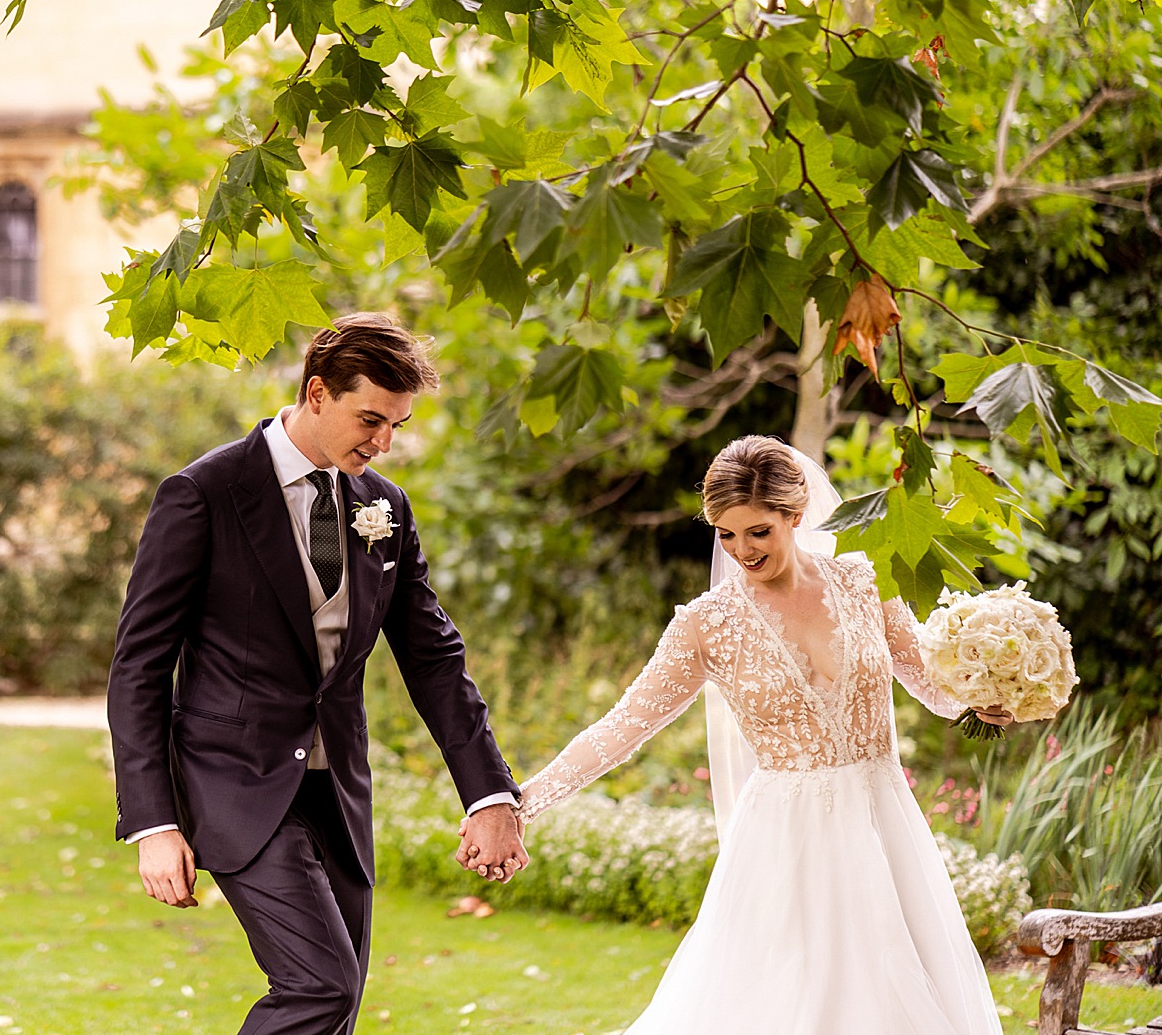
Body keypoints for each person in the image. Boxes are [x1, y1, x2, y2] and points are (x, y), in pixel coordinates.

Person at [502, 435, 1011, 1035]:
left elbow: (930, 684)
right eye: (726, 534)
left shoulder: (866, 580)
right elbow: (623, 726)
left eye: (759, 532)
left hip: (882, 821)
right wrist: (525, 799)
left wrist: (989, 696)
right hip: (785, 842)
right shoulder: (707, 623)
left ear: (795, 517)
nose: (742, 549)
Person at [108, 312, 528, 1035]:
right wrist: (153, 821)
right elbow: (139, 667)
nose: (384, 441)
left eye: (396, 424)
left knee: (339, 1004)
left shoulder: (384, 508)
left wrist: (489, 794)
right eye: (370, 418)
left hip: (337, 792)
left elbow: (432, 657)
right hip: (234, 785)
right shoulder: (204, 492)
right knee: (319, 990)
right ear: (315, 393)